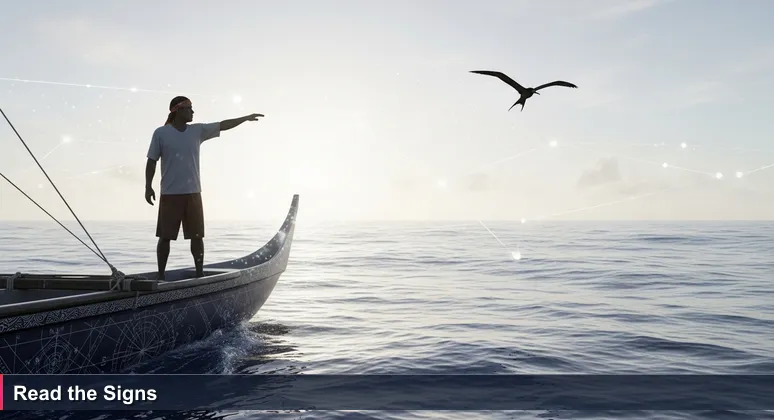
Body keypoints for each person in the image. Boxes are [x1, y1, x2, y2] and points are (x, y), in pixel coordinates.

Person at [144, 95, 263, 280]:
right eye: (189, 108)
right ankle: (161, 275)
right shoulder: (161, 133)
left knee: (197, 236)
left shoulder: (197, 131)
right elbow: (151, 161)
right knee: (165, 237)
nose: (192, 111)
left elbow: (222, 125)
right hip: (170, 193)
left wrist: (244, 118)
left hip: (193, 193)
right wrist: (148, 186)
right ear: (177, 110)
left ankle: (199, 274)